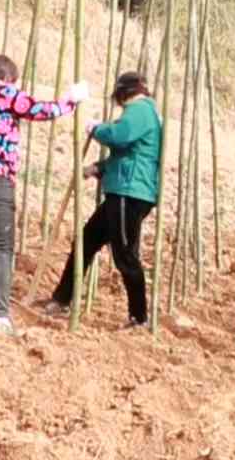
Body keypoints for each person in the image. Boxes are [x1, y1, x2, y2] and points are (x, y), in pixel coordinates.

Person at [0, 55, 88, 335]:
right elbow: (39, 109)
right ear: (8, 78)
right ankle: (0, 317)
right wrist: (70, 100)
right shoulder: (3, 93)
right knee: (0, 249)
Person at [37, 72, 163, 328]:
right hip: (121, 190)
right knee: (86, 241)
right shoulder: (143, 111)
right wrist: (100, 167)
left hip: (130, 193)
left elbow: (119, 135)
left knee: (126, 256)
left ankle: (139, 318)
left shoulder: (140, 110)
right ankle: (62, 299)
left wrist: (96, 128)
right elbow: (130, 153)